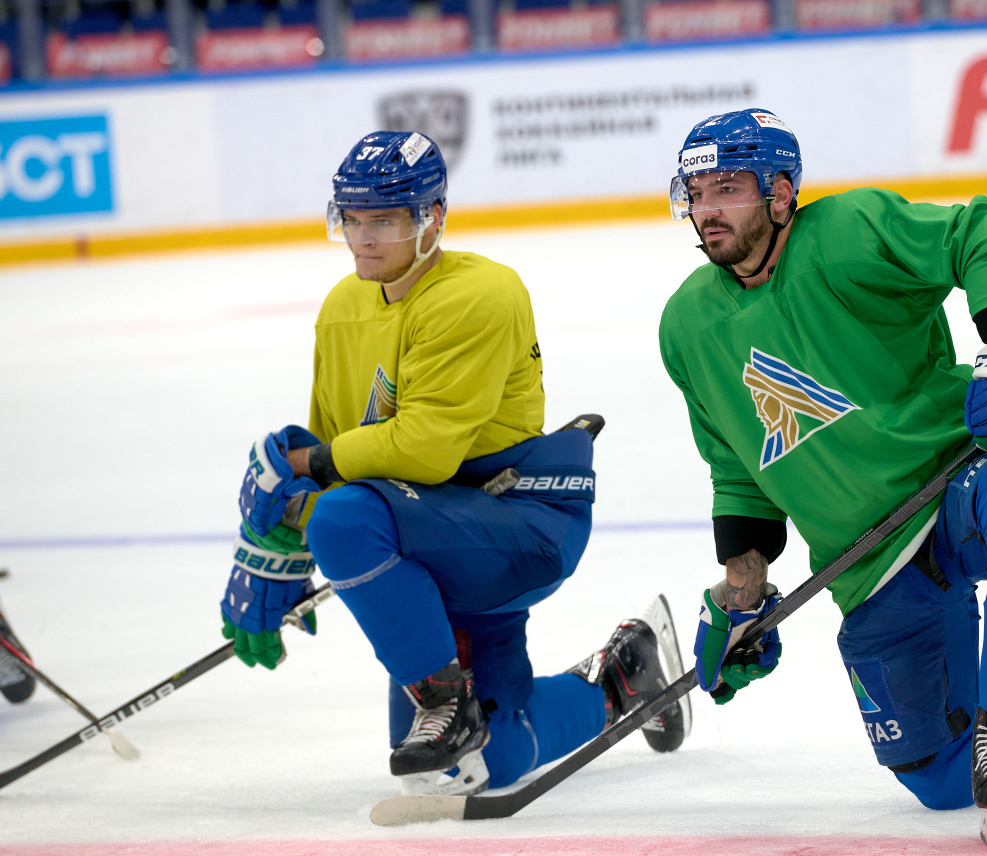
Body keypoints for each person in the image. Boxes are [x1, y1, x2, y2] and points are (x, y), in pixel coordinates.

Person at [660, 110, 987, 847]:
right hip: (870, 558)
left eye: (727, 188)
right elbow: (737, 467)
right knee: (940, 779)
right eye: (696, 191)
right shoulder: (686, 325)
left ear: (780, 193)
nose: (707, 209)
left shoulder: (849, 232)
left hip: (959, 477)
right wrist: (740, 595)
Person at [220, 131, 689, 797]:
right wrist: (281, 530)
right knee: (483, 767)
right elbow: (335, 448)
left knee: (348, 520)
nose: (363, 238)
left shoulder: (479, 294)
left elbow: (423, 449)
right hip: (432, 534)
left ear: (432, 217)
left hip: (516, 526)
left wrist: (316, 481)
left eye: (383, 219)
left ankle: (444, 698)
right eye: (351, 219)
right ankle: (625, 678)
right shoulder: (341, 307)